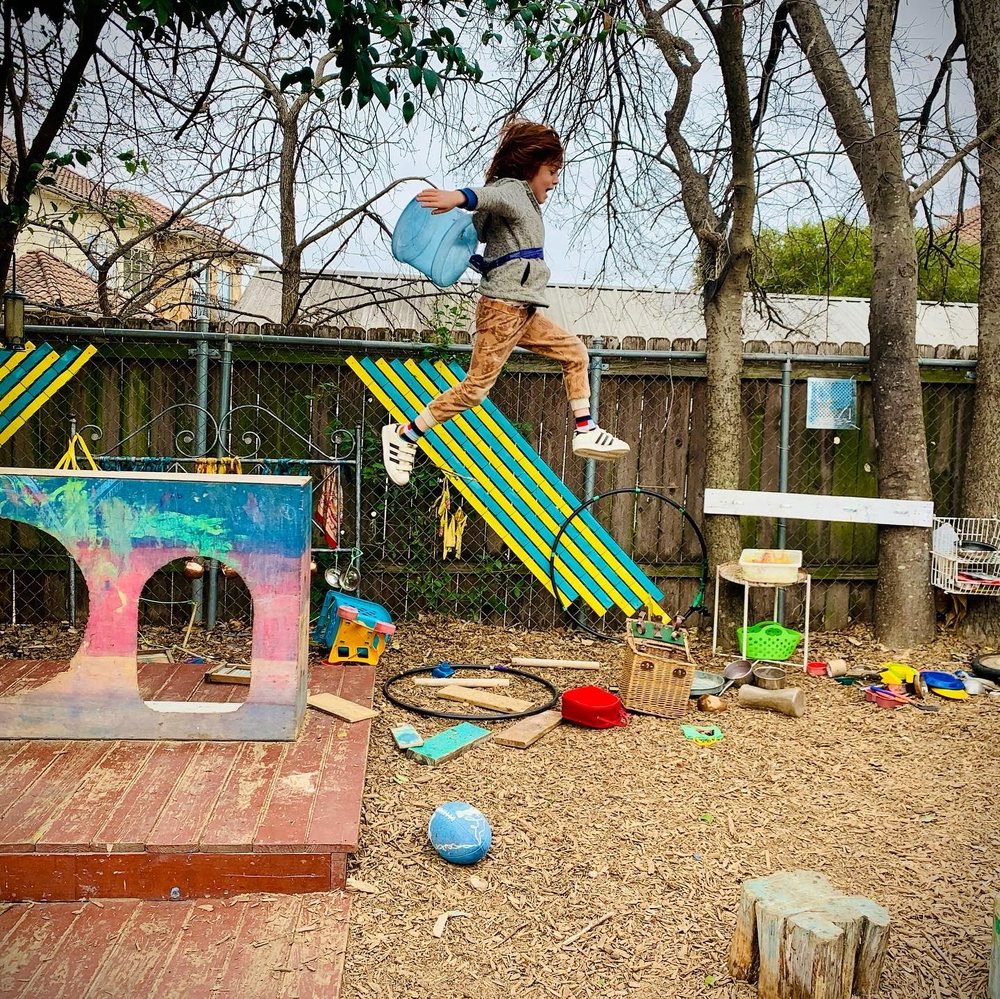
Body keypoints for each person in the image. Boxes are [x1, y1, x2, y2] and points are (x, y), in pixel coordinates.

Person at [381, 119, 630, 486]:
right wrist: (459, 197)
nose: (555, 179)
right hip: (502, 309)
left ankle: (585, 429)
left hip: (522, 310)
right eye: (551, 171)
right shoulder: (512, 190)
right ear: (531, 167)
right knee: (475, 390)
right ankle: (405, 434)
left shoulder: (520, 200)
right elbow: (491, 197)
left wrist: (468, 212)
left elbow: (479, 225)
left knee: (576, 352)